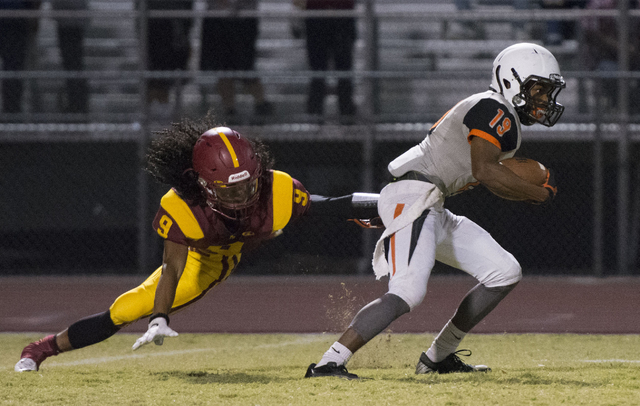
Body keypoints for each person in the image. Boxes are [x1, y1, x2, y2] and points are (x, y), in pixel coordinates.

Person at [14, 115, 379, 372]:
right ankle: (40, 349)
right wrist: (159, 316)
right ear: (202, 185)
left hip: (243, 241)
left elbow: (329, 206)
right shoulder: (182, 207)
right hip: (205, 260)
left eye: (247, 184)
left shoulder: (278, 190)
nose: (242, 196)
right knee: (126, 310)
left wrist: (386, 206)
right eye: (229, 189)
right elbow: (172, 265)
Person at [305, 43, 564, 379]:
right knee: (407, 292)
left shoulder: (502, 118)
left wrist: (527, 192)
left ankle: (437, 358)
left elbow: (490, 177)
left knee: (504, 272)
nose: (544, 100)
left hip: (431, 201)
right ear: (512, 81)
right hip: (415, 195)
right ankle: (328, 364)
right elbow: (486, 172)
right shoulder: (493, 108)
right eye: (539, 89)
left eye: (548, 91)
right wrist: (538, 194)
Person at [200, 0, 273, 121]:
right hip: (217, 18)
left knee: (246, 65)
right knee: (222, 67)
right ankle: (230, 110)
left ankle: (261, 104)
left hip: (244, 18)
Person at [296, 0, 357, 118]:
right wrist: (296, 14)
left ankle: (346, 114)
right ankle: (315, 115)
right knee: (318, 72)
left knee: (343, 71)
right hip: (317, 17)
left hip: (341, 17)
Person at [581, 0, 640, 111]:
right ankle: (618, 109)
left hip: (635, 58)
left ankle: (633, 113)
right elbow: (590, 33)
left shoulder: (637, 4)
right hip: (605, 58)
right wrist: (619, 47)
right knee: (610, 73)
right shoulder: (599, 4)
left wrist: (633, 49)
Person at [143, 0, 193, 110]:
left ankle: (167, 114)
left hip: (176, 28)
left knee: (169, 78)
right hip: (154, 25)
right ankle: (149, 115)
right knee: (155, 78)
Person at [0, 0, 40, 114]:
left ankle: (12, 112)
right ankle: (12, 111)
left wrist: (33, 17)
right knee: (14, 68)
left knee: (14, 69)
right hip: (17, 19)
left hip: (17, 20)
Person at [52, 0, 89, 114]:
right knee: (71, 63)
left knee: (73, 63)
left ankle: (77, 104)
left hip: (72, 22)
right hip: (66, 20)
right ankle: (76, 102)